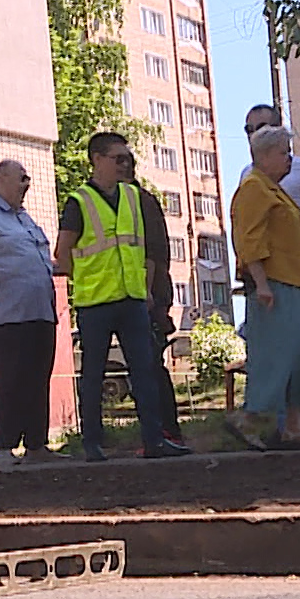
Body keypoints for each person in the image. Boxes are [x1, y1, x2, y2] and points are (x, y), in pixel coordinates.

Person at [53, 133, 193, 462]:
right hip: (95, 303)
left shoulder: (132, 197)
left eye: (128, 159)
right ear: (97, 160)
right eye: (118, 158)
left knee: (144, 372)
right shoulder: (79, 201)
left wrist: (145, 290)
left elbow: (140, 248)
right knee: (93, 374)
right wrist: (84, 279)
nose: (125, 164)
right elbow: (63, 252)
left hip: (132, 300)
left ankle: (155, 440)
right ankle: (92, 444)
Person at [227, 125, 300, 449]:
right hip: (276, 286)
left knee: (299, 357)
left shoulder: (273, 189)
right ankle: (248, 418)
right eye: (284, 152)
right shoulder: (254, 188)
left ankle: (294, 426)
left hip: (297, 283)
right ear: (266, 155)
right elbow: (249, 239)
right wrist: (261, 283)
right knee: (275, 357)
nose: (289, 159)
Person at [0, 159, 65, 471]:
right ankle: (4, 448)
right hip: (4, 315)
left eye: (27, 178)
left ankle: (36, 445)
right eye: (21, 178)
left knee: (37, 377)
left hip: (39, 312)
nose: (26, 184)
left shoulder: (25, 219)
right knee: (9, 380)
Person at [115, 154, 186, 449]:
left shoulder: (139, 202)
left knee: (150, 365)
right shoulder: (122, 201)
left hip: (148, 296)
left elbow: (152, 253)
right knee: (144, 366)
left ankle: (166, 431)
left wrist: (148, 294)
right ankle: (159, 431)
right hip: (133, 294)